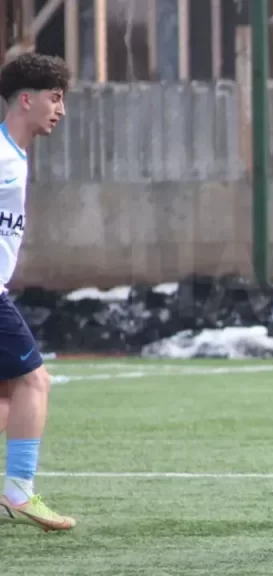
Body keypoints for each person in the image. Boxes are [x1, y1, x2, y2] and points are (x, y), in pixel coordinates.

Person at [0, 53, 74, 531]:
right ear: (26, 100)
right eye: (54, 97)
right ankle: (19, 491)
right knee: (35, 382)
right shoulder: (2, 158)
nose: (61, 109)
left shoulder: (14, 155)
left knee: (9, 398)